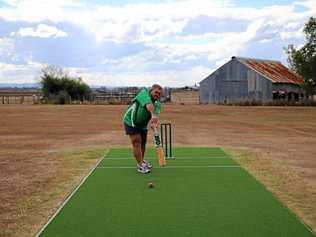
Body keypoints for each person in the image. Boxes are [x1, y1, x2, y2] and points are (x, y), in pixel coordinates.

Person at [123, 84, 163, 174]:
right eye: (156, 92)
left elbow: (155, 118)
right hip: (131, 121)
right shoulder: (143, 93)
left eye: (159, 94)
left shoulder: (158, 104)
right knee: (137, 142)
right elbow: (149, 105)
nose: (157, 95)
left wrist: (154, 124)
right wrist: (153, 115)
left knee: (143, 144)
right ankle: (140, 165)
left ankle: (141, 160)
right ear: (151, 91)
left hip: (142, 124)